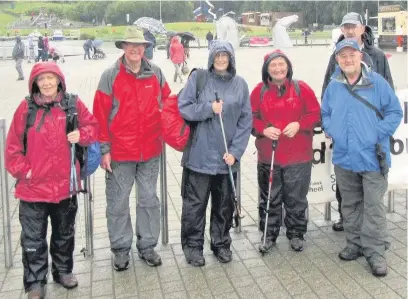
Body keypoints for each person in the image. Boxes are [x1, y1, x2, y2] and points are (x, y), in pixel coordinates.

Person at [5, 62, 99, 299]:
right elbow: (12, 148)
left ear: (59, 80)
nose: (47, 83)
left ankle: (63, 270)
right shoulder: (25, 109)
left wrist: (83, 135)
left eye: (51, 78)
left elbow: (93, 128)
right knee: (33, 239)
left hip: (65, 187)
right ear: (35, 83)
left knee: (64, 234)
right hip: (32, 189)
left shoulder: (72, 104)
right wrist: (23, 171)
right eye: (42, 79)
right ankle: (35, 281)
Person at [321, 39, 402, 277]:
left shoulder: (376, 83)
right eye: (343, 56)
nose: (347, 60)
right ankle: (354, 243)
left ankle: (375, 251)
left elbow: (395, 111)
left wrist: (376, 132)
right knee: (350, 203)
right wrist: (330, 128)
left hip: (372, 157)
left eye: (351, 55)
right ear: (337, 60)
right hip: (344, 157)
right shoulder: (333, 86)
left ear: (360, 57)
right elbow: (325, 112)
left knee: (374, 206)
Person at [93, 27, 171, 270]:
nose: (136, 49)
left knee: (149, 200)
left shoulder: (156, 73)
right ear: (123, 47)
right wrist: (104, 149)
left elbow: (169, 105)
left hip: (150, 151)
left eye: (140, 45)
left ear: (145, 48)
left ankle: (147, 246)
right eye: (130, 45)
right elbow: (99, 115)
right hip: (119, 153)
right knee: (117, 203)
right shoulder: (110, 75)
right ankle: (120, 249)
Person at [178, 40, 252, 266]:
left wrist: (236, 152)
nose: (221, 60)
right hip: (199, 158)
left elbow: (245, 120)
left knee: (224, 205)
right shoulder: (198, 79)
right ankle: (193, 246)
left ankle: (220, 243)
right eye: (217, 56)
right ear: (211, 57)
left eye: (225, 56)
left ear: (231, 58)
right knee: (195, 206)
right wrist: (208, 109)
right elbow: (184, 107)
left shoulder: (240, 84)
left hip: (226, 159)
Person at [321, 12, 394, 232]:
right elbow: (327, 90)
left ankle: (372, 236)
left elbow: (388, 94)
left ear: (363, 28)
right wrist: (330, 125)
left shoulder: (378, 55)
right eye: (346, 27)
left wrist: (378, 129)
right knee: (347, 183)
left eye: (354, 26)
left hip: (371, 140)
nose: (350, 30)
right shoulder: (336, 55)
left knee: (371, 192)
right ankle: (347, 220)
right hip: (346, 135)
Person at [251, 50, 320, 252]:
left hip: (298, 155)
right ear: (267, 69)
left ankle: (296, 233)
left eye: (282, 64)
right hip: (269, 156)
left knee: (296, 198)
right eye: (273, 65)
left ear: (288, 67)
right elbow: (250, 118)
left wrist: (300, 125)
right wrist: (263, 129)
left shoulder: (301, 88)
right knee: (270, 198)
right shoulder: (258, 91)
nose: (278, 69)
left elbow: (315, 113)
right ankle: (268, 234)